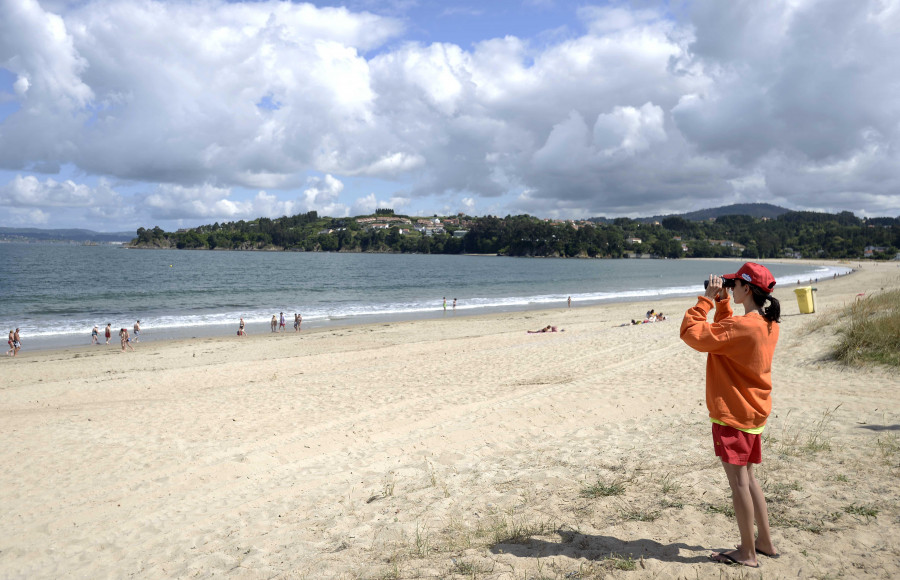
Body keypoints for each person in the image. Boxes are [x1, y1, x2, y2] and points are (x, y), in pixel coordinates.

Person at [680, 262, 781, 568]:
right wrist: (724, 303)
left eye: (735, 284)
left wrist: (706, 300)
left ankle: (748, 553)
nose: (731, 287)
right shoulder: (768, 324)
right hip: (753, 414)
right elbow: (729, 337)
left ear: (747, 289)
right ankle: (764, 542)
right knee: (749, 479)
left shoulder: (741, 328)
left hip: (733, 416)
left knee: (739, 484)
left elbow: (692, 334)